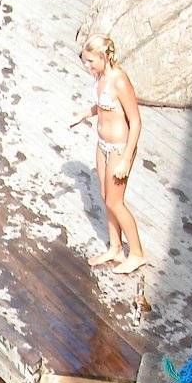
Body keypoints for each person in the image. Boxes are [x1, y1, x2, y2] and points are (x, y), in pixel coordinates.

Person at [71, 33, 150, 276]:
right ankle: (115, 247)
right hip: (102, 144)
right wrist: (85, 114)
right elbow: (104, 106)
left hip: (119, 147)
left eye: (91, 61)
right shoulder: (100, 77)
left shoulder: (119, 80)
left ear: (104, 57)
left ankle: (136, 252)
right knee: (106, 196)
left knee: (116, 201)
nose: (87, 66)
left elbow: (135, 121)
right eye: (85, 61)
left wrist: (126, 158)